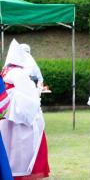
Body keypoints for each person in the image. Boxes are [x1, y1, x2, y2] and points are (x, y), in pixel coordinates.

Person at [0, 39, 50, 179]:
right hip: (19, 115)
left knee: (9, 144)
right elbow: (30, 95)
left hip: (8, 114)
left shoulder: (5, 71)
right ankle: (20, 172)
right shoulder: (18, 73)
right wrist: (37, 93)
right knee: (22, 146)